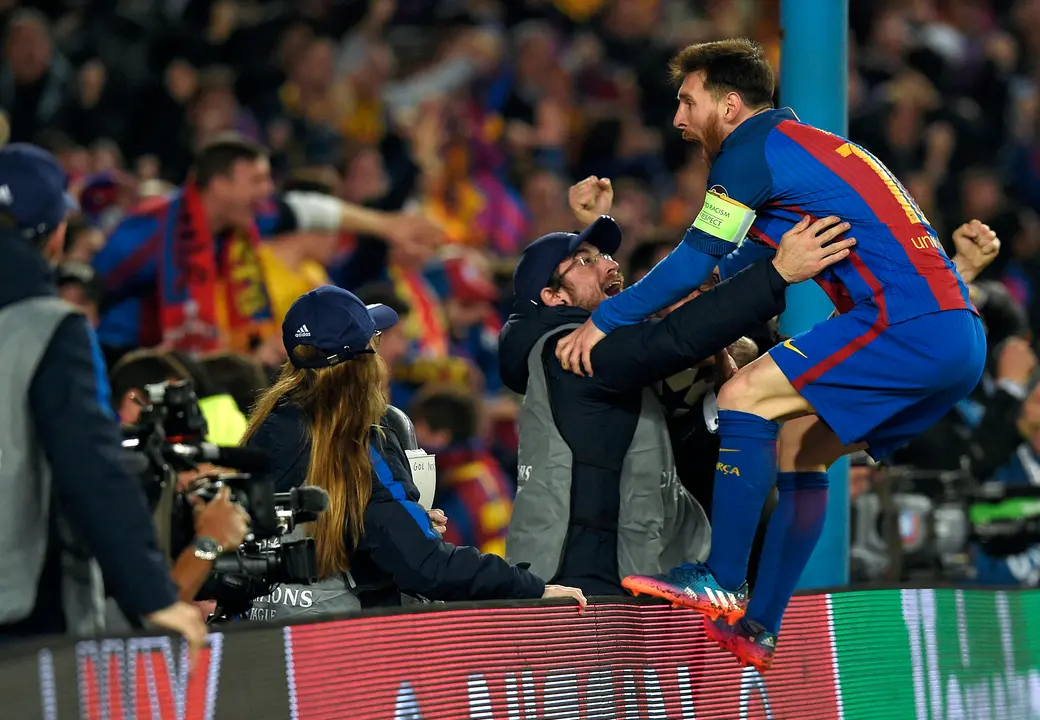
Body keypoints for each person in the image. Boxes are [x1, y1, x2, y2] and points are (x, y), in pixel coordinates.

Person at [555, 39, 1001, 671]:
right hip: (959, 340)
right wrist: (609, 239)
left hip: (907, 326)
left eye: (688, 102)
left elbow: (693, 263)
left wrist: (604, 320)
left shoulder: (748, 153)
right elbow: (732, 266)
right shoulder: (805, 151)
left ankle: (719, 577)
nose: (678, 120)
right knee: (800, 447)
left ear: (730, 105)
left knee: (743, 396)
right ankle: (759, 626)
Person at [500, 192, 855, 596]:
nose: (611, 264)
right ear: (553, 296)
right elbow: (675, 336)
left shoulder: (608, 353)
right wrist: (777, 273)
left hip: (621, 564)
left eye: (605, 256)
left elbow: (670, 331)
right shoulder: (568, 349)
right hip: (575, 574)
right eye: (587, 260)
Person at [241, 285, 585, 618]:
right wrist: (531, 588)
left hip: (257, 635)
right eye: (376, 341)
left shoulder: (266, 428)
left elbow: (319, 533)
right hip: (336, 649)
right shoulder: (357, 445)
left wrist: (405, 523)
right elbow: (425, 566)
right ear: (366, 360)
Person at [0, 143, 205, 651]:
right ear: (55, 236)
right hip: (18, 605)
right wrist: (153, 595)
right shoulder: (45, 325)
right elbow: (89, 463)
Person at [92, 133, 443, 367]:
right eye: (257, 181)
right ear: (220, 185)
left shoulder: (239, 224)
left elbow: (308, 209)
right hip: (120, 358)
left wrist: (385, 225)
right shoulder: (155, 226)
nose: (267, 192)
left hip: (181, 364)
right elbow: (94, 283)